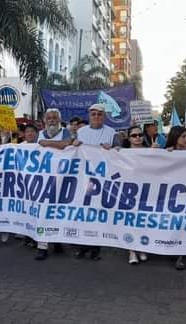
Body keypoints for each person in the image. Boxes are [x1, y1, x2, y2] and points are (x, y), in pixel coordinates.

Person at [74, 103, 121, 261]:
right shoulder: (80, 132)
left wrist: (112, 148)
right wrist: (74, 146)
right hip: (83, 178)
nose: (96, 117)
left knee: (97, 213)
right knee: (83, 214)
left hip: (102, 179)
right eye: (93, 114)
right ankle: (82, 247)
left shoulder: (111, 132)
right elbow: (72, 150)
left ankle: (95, 248)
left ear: (104, 116)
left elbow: (119, 151)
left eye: (99, 114)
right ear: (89, 116)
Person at [34, 108, 73, 260]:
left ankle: (57, 242)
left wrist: (47, 143)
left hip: (62, 178)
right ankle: (42, 246)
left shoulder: (65, 132)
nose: (51, 120)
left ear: (59, 120)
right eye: (49, 118)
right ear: (44, 120)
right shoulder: (40, 134)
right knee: (43, 211)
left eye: (54, 118)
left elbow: (66, 144)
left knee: (57, 211)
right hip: (43, 179)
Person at [165, 126, 186, 270]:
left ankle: (181, 256)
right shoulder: (167, 152)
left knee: (184, 223)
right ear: (175, 137)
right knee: (172, 223)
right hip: (169, 196)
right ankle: (172, 249)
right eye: (183, 136)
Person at [124, 125, 148, 265]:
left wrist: (165, 151)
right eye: (134, 135)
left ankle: (142, 248)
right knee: (130, 220)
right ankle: (132, 251)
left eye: (140, 135)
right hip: (129, 191)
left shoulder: (151, 151)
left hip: (146, 191)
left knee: (143, 220)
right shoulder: (122, 152)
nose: (137, 137)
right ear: (129, 138)